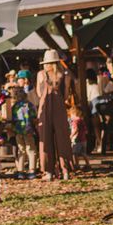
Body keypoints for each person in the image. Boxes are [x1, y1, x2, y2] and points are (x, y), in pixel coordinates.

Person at [34, 50, 72, 181]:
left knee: (46, 139)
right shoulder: (65, 75)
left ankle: (49, 171)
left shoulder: (41, 75)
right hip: (60, 109)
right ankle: (65, 170)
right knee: (62, 139)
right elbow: (66, 95)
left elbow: (39, 94)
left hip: (45, 109)